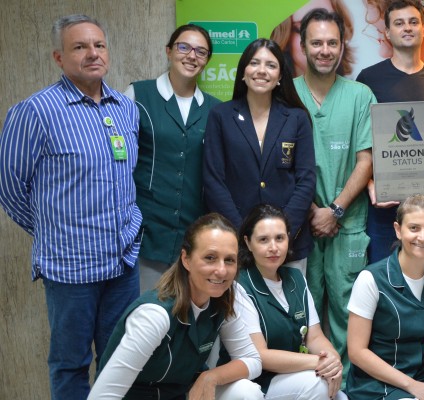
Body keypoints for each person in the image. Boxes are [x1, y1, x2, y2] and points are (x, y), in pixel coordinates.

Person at [0, 15, 142, 399]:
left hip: (122, 263)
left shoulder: (124, 108)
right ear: (59, 57)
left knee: (121, 360)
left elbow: (126, 177)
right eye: (80, 47)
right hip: (70, 268)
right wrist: (56, 231)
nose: (92, 53)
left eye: (99, 45)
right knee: (70, 364)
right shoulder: (35, 111)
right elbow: (9, 188)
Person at [90, 213, 264, 399]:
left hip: (182, 394)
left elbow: (253, 360)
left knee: (246, 391)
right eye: (210, 258)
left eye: (229, 260)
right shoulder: (155, 315)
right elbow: (103, 395)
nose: (221, 271)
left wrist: (210, 377)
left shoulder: (224, 297)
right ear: (186, 259)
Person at [293, 8, 376, 374]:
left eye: (332, 43)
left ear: (342, 46)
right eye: (316, 43)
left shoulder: (360, 95)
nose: (324, 50)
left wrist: (335, 210)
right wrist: (311, 211)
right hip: (299, 223)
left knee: (348, 311)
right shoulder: (287, 93)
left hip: (348, 224)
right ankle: (305, 383)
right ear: (302, 45)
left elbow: (366, 160)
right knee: (301, 310)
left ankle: (346, 386)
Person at [203, 38, 315, 276]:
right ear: (243, 72)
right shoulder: (220, 116)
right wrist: (245, 235)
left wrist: (280, 235)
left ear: (280, 76)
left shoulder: (297, 118)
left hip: (289, 246)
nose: (262, 70)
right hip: (237, 243)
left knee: (289, 300)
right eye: (254, 63)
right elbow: (213, 181)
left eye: (271, 65)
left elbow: (306, 181)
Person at [355, 0, 424, 264]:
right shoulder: (368, 79)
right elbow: (359, 142)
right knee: (381, 274)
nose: (407, 28)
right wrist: (370, 184)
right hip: (383, 205)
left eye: (413, 22)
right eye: (399, 23)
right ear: (388, 32)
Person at [126, 24, 221, 291]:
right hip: (145, 233)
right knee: (145, 310)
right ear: (169, 51)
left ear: (207, 60)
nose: (192, 56)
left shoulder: (215, 110)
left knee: (187, 310)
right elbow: (116, 162)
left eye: (201, 51)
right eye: (184, 47)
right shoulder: (137, 95)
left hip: (192, 234)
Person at [346, 195, 424, 400]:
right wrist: (411, 385)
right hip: (377, 384)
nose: (423, 237)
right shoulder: (371, 279)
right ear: (398, 230)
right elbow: (356, 352)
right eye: (414, 228)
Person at [233, 205, 346, 399]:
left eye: (280, 238)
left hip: (293, 375)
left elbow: (314, 338)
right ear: (248, 243)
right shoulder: (240, 285)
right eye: (263, 240)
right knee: (318, 385)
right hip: (255, 382)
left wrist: (332, 359)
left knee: (340, 396)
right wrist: (317, 362)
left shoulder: (296, 278)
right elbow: (260, 355)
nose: (273, 247)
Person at [270, 0, 355, 77]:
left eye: (330, 25)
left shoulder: (357, 88)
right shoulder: (271, 88)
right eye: (305, 29)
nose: (325, 50)